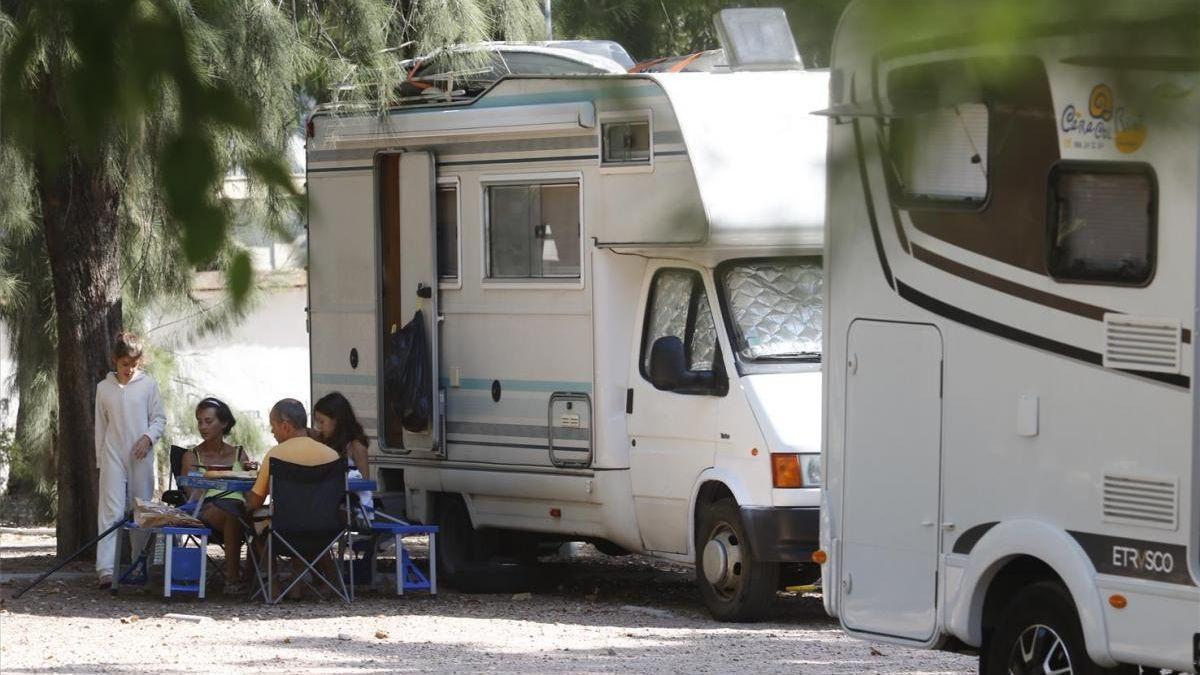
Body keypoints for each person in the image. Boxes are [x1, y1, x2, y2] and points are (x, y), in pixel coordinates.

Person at [94, 331, 167, 589]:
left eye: (134, 364)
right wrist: (100, 460)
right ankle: (105, 569)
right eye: (125, 364)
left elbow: (159, 419)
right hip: (112, 453)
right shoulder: (104, 389)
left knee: (142, 509)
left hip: (141, 455)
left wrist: (148, 438)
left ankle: (140, 564)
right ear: (115, 360)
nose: (129, 369)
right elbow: (100, 427)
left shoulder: (148, 385)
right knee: (110, 511)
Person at [246, 399, 340, 598]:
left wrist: (244, 505)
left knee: (259, 519)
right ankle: (320, 585)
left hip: (284, 533)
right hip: (325, 532)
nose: (272, 433)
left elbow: (255, 501)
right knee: (307, 514)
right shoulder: (332, 456)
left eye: (273, 427)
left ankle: (273, 586)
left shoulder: (275, 456)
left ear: (285, 426)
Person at [179, 397, 253, 592]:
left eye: (208, 421)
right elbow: (191, 493)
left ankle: (257, 576)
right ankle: (233, 579)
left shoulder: (239, 455)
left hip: (239, 507)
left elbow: (251, 485)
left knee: (259, 516)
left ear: (224, 423)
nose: (202, 426)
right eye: (199, 421)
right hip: (207, 507)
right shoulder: (191, 456)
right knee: (231, 514)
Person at [312, 392, 373, 520]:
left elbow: (365, 484)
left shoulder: (356, 445)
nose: (318, 426)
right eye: (317, 422)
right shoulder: (325, 441)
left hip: (355, 509)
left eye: (322, 421)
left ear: (337, 420)